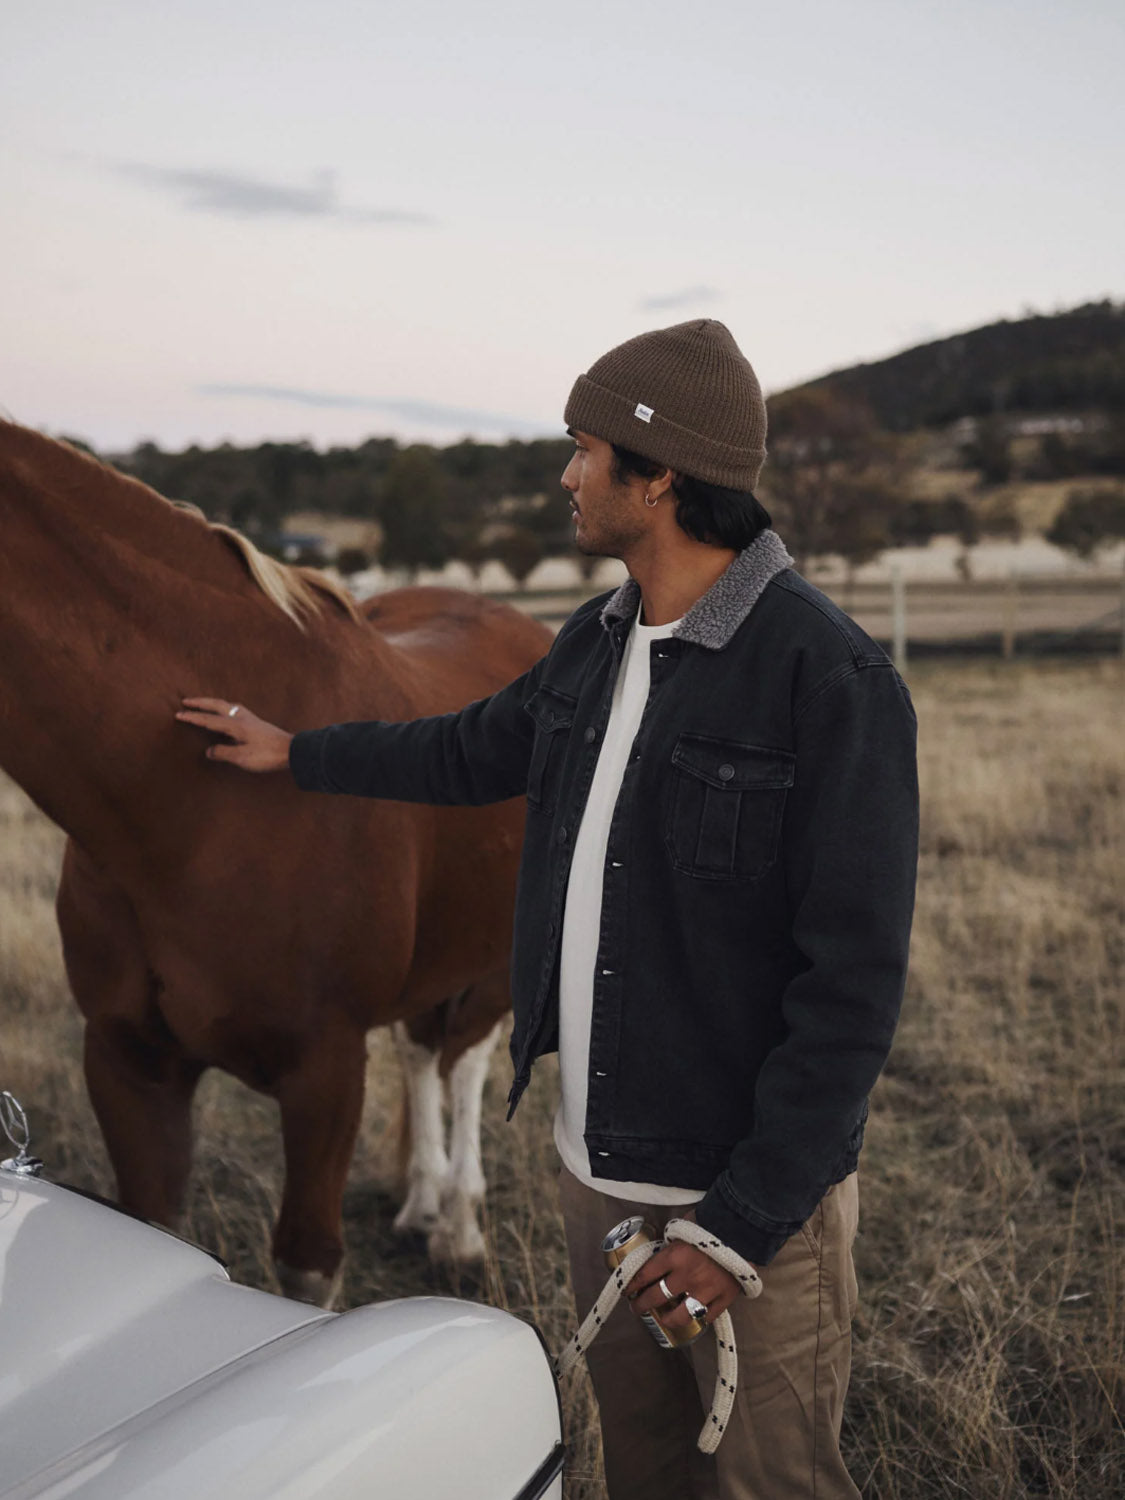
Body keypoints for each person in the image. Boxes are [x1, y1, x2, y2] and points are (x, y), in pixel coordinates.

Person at [177, 319, 919, 1500]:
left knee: (771, 1483)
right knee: (645, 1474)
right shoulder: (600, 639)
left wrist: (738, 1225)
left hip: (742, 1205)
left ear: (659, 473)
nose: (566, 476)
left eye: (583, 450)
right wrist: (299, 752)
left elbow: (853, 991)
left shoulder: (827, 681)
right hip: (598, 1174)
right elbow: (469, 748)